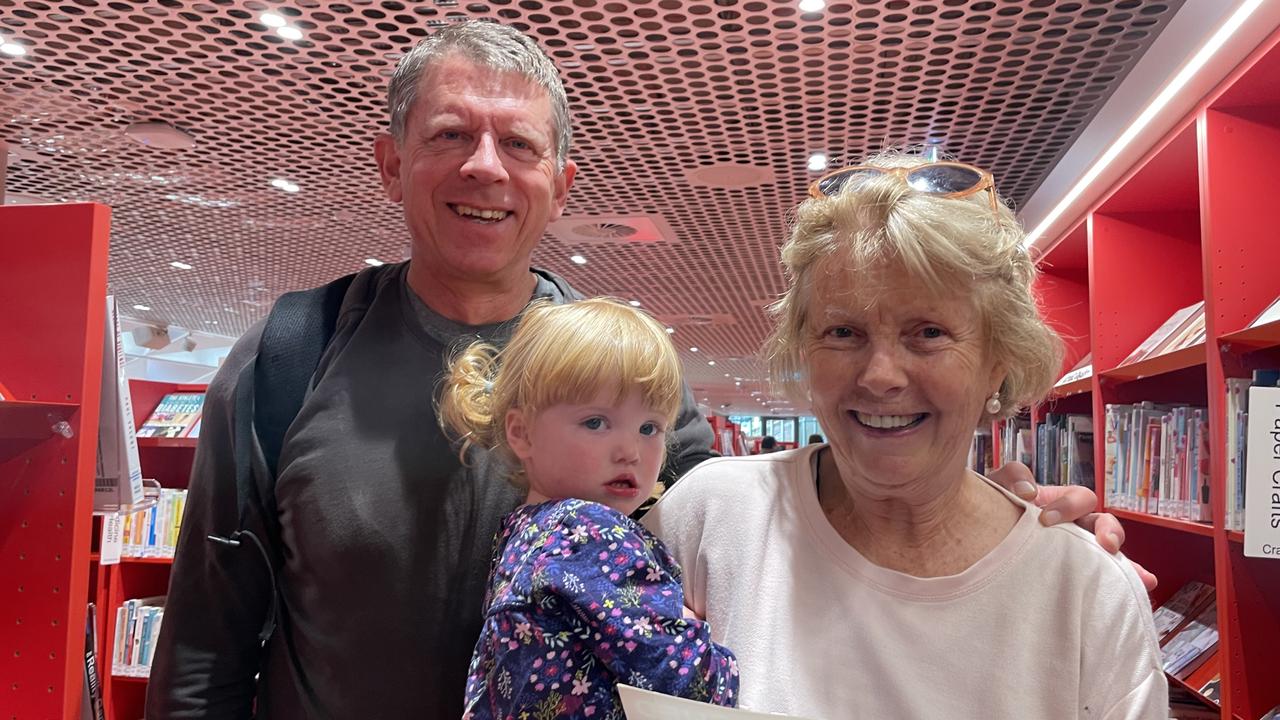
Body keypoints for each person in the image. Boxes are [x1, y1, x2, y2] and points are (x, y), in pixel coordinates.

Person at [146, 19, 1137, 718]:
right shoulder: (288, 357)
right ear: (390, 161)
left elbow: (790, 518)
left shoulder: (632, 375)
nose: (484, 167)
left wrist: (994, 517)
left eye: (518, 145)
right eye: (449, 136)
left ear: (559, 181)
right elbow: (203, 645)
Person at [644, 153, 1169, 718]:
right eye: (843, 331)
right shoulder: (709, 519)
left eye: (928, 333)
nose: (880, 376)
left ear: (998, 358)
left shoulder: (1086, 592)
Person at [440, 298, 739, 718]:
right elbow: (687, 684)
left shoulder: (523, 533)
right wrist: (705, 644)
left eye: (649, 427)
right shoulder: (590, 533)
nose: (630, 451)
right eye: (596, 422)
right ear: (521, 432)